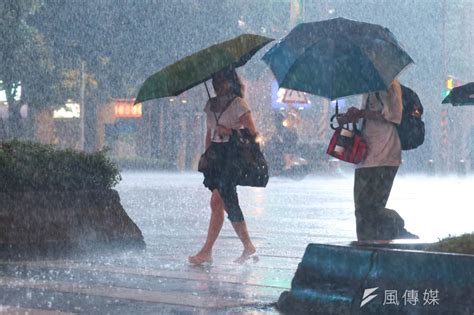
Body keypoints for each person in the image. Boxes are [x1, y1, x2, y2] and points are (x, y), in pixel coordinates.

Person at [189, 67, 259, 265]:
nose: (216, 84)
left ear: (230, 81)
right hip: (216, 156)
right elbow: (209, 131)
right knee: (223, 202)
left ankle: (206, 251)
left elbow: (253, 135)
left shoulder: (238, 104)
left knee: (218, 200)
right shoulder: (210, 105)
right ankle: (248, 247)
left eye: (220, 80)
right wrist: (206, 154)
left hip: (233, 156)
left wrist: (229, 131)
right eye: (214, 80)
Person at [338, 79, 418, 241]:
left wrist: (362, 113)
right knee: (361, 209)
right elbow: (368, 116)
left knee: (372, 208)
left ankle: (396, 226)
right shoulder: (368, 87)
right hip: (365, 154)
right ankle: (365, 244)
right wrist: (353, 116)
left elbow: (395, 116)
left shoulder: (390, 85)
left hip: (385, 153)